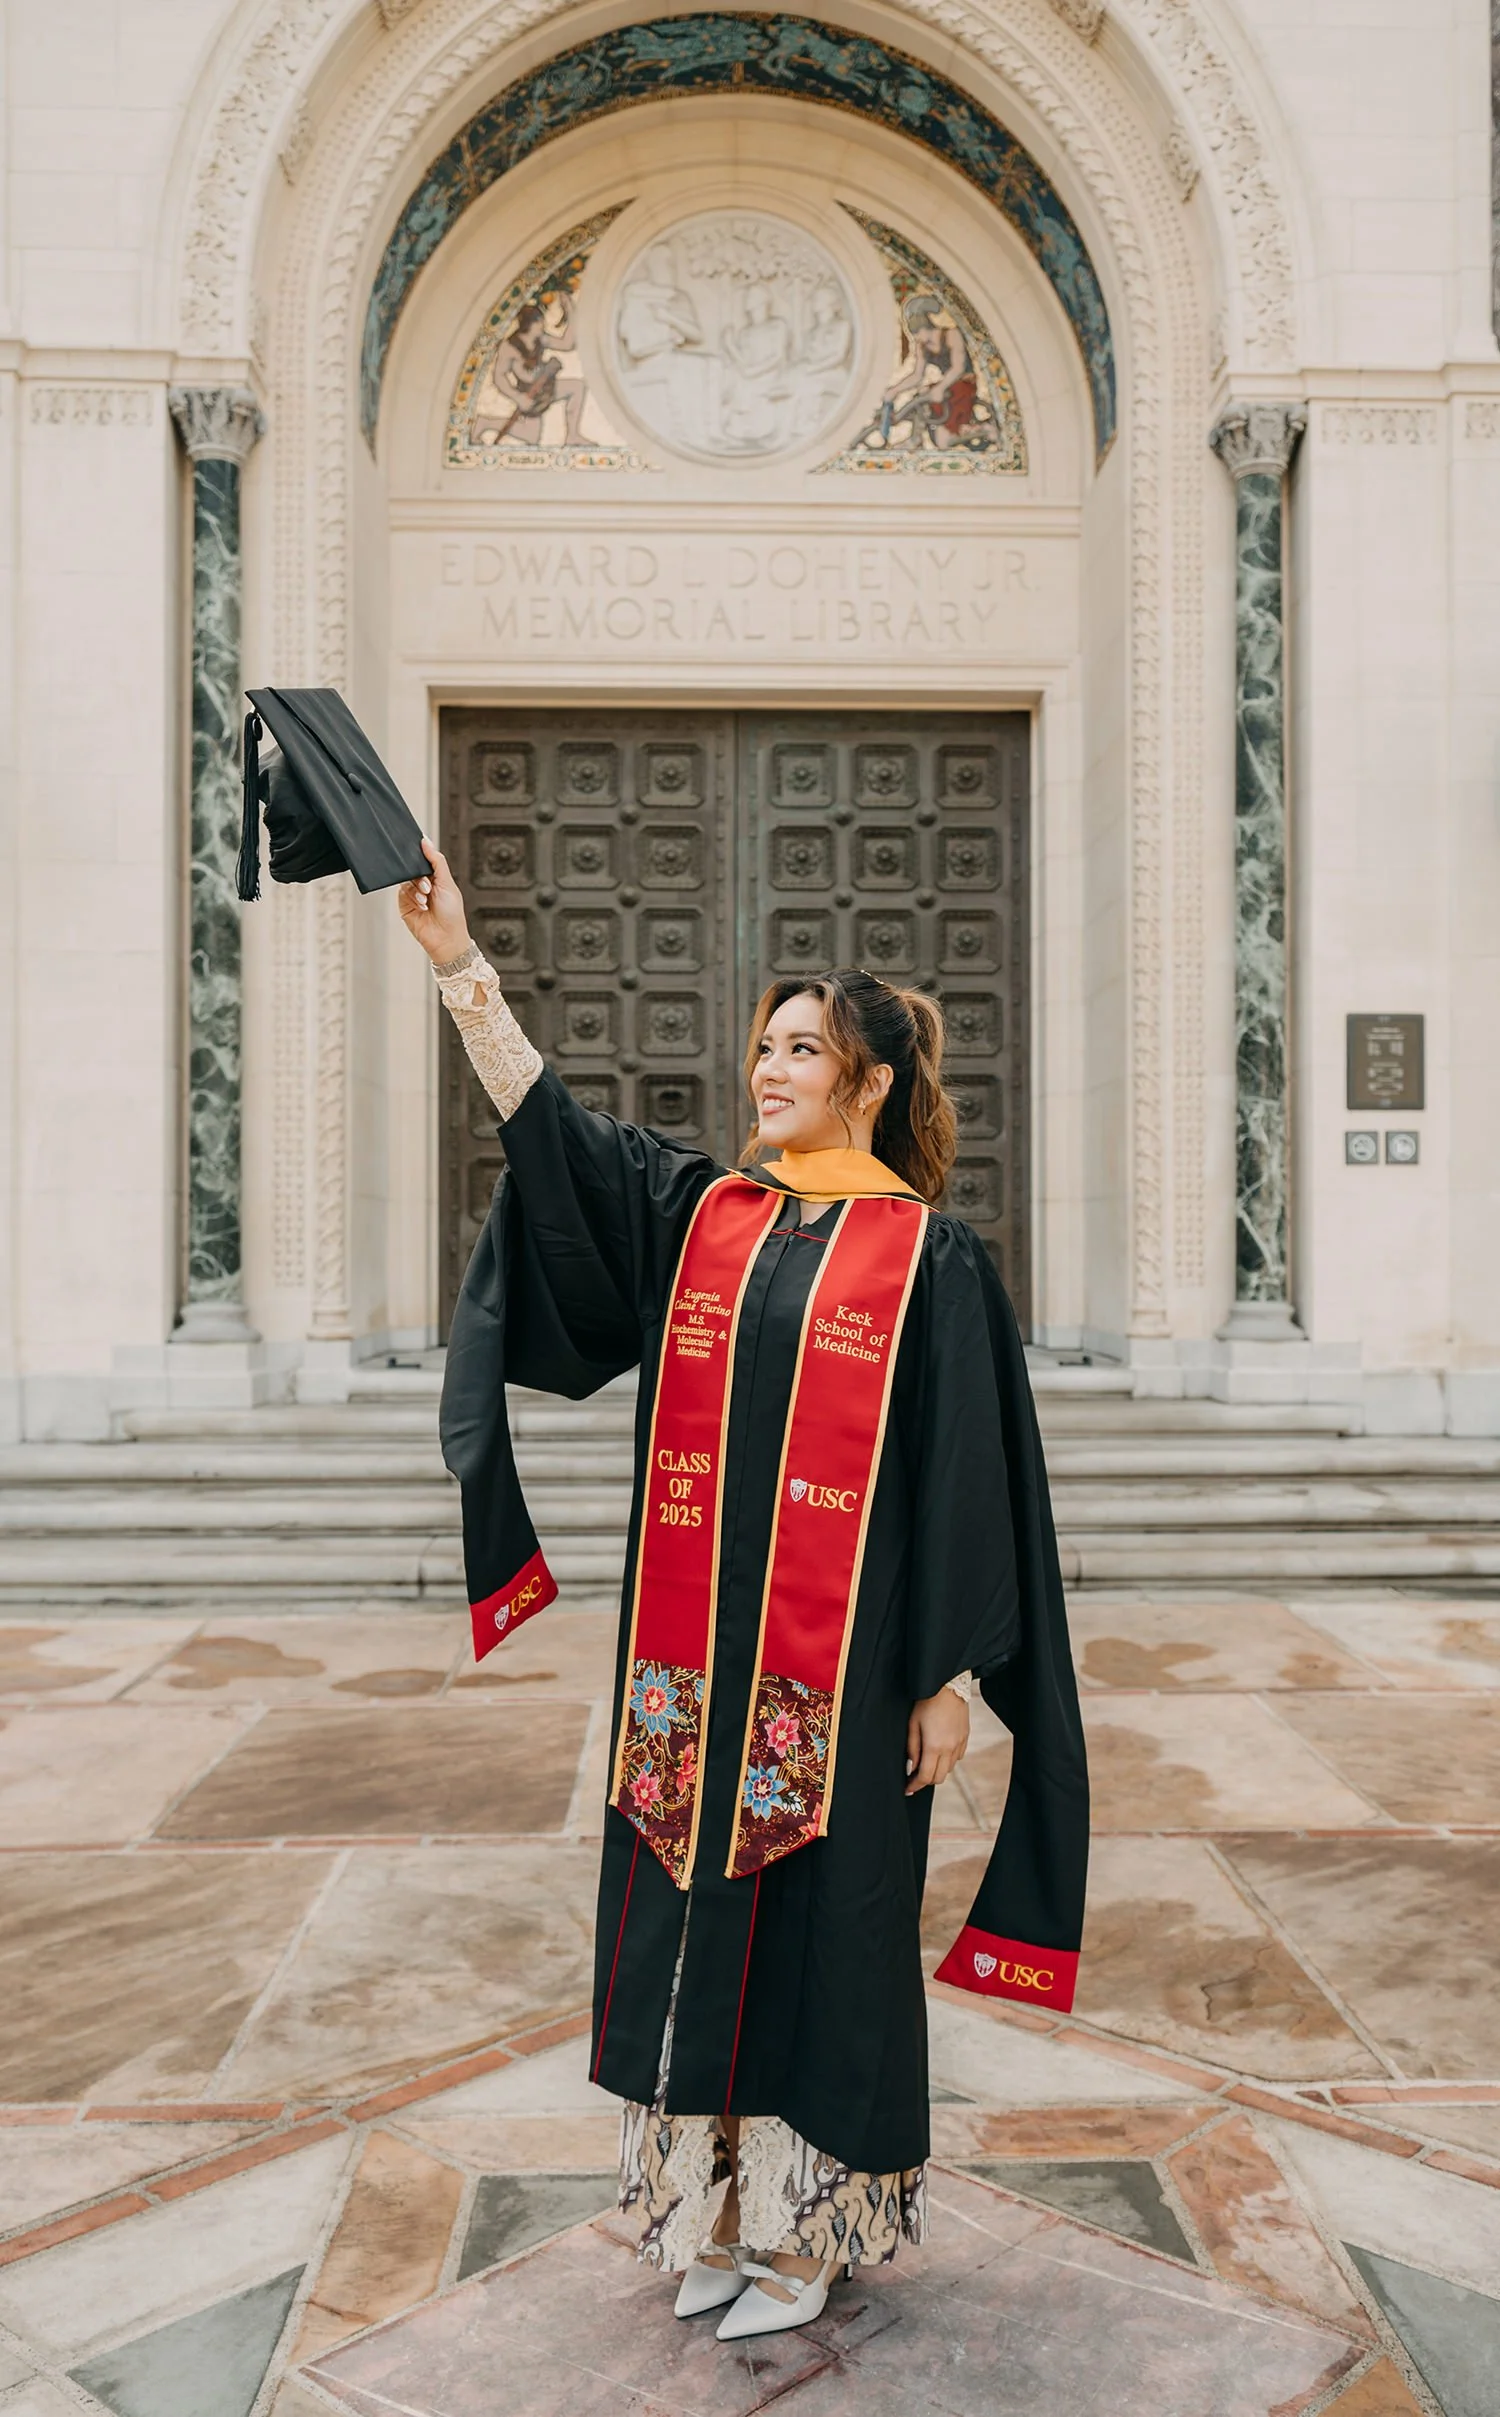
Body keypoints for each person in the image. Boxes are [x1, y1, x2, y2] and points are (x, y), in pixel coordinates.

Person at [399, 838, 1088, 2339]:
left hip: (840, 1682)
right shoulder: (705, 1217)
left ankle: (809, 2231)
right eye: (763, 1045)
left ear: (872, 1082)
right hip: (687, 1683)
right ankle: (712, 2210)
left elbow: (968, 1477)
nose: (767, 1069)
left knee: (832, 1943)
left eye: (801, 1050)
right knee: (680, 1925)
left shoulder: (930, 1262)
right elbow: (560, 1147)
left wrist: (952, 1680)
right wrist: (464, 969)